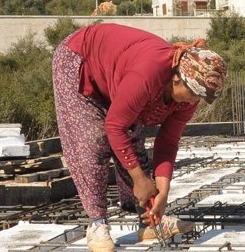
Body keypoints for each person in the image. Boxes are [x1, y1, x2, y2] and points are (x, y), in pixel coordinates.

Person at [52, 23, 227, 251]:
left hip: (116, 75)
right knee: (92, 141)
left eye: (201, 97)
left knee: (132, 140)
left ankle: (149, 222)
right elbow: (115, 126)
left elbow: (168, 141)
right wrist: (140, 179)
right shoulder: (148, 74)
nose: (195, 101)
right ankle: (97, 224)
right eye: (194, 93)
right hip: (80, 59)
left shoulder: (188, 100)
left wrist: (163, 192)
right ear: (177, 78)